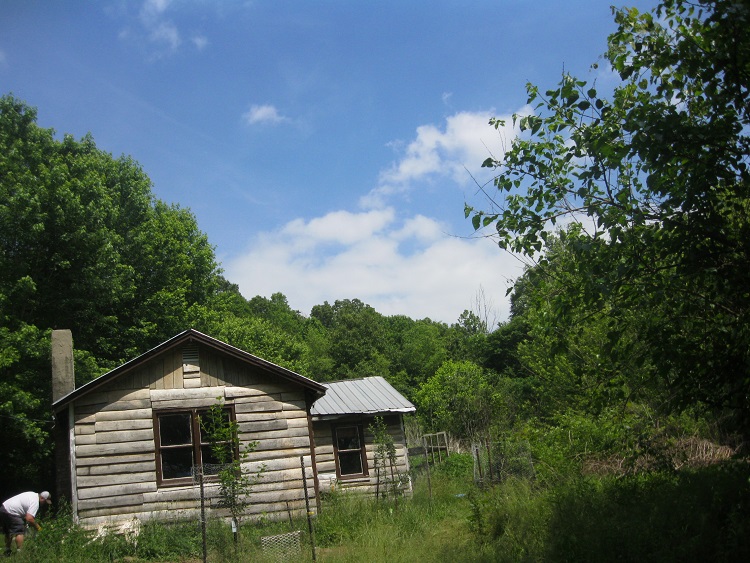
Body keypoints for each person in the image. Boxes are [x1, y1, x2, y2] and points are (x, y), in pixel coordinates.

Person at [0, 491, 51, 556]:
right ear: (42, 498)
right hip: (12, 512)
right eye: (45, 502)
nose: (44, 504)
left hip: (3, 508)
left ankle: (7, 550)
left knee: (8, 531)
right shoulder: (35, 502)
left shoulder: (31, 494)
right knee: (19, 531)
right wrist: (38, 527)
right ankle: (19, 553)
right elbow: (29, 518)